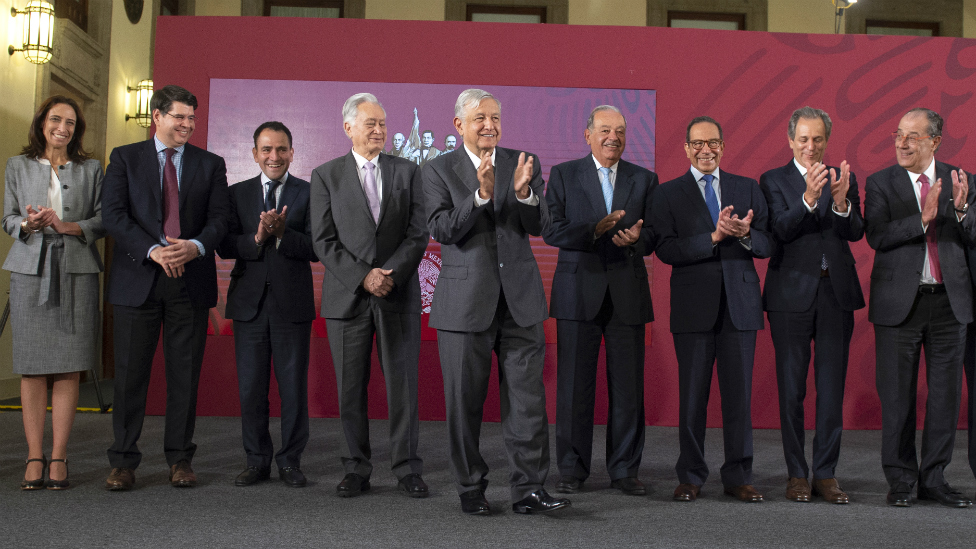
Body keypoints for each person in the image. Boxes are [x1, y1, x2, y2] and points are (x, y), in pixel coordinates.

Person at [423, 88, 569, 515]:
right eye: (480, 118)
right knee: (463, 403)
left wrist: (524, 195)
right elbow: (442, 229)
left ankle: (529, 491)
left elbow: (539, 226)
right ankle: (471, 488)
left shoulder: (523, 162)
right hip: (463, 305)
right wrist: (482, 196)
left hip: (520, 301)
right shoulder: (438, 169)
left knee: (528, 403)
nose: (489, 125)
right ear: (459, 126)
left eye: (495, 117)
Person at [101, 85, 229, 490]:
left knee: (184, 376)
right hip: (138, 280)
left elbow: (220, 220)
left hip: (189, 283)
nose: (187, 125)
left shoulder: (211, 164)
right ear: (157, 116)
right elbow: (114, 216)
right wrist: (153, 250)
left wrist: (194, 246)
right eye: (179, 117)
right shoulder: (125, 158)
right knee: (129, 376)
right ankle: (123, 461)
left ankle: (180, 459)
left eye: (192, 118)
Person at [310, 93, 430, 499]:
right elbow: (324, 241)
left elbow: (419, 233)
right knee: (350, 389)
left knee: (403, 386)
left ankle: (407, 468)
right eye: (370, 124)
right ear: (348, 128)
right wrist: (364, 277)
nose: (379, 130)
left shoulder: (409, 171)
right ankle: (355, 468)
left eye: (382, 123)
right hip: (348, 297)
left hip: (397, 294)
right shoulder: (326, 175)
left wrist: (387, 276)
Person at [651, 116, 770, 503]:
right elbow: (666, 249)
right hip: (692, 308)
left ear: (723, 146)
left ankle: (739, 475)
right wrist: (714, 237)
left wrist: (748, 234)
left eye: (713, 142)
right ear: (686, 148)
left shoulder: (747, 187)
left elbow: (770, 243)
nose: (707, 150)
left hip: (741, 306)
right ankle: (691, 475)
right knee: (692, 398)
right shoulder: (669, 193)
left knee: (738, 397)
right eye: (698, 143)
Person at [864, 108, 976, 508]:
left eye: (913, 136)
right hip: (900, 307)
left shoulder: (962, 180)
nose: (902, 142)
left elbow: (974, 235)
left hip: (951, 304)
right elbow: (875, 235)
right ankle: (901, 481)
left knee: (945, 398)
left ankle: (935, 479)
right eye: (898, 134)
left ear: (935, 141)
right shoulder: (880, 183)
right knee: (897, 398)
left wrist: (961, 212)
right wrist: (921, 218)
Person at [543, 105, 657, 496]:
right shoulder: (563, 174)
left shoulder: (644, 179)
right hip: (578, 293)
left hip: (627, 292)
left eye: (621, 131)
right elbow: (552, 229)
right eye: (605, 130)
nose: (614, 137)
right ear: (587, 134)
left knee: (628, 389)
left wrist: (635, 240)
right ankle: (572, 470)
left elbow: (655, 234)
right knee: (574, 387)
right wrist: (595, 230)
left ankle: (625, 469)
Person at [759, 107, 864, 504]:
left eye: (818, 139)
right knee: (791, 390)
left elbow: (856, 231)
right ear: (790, 140)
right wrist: (808, 199)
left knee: (831, 389)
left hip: (835, 294)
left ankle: (826, 473)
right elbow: (778, 231)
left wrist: (840, 204)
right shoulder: (773, 180)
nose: (810, 146)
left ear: (827, 141)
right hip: (791, 296)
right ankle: (796, 474)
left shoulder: (842, 176)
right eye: (803, 139)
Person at [2, 96, 106, 490]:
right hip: (31, 269)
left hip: (77, 268)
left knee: (69, 364)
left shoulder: (92, 168)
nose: (63, 127)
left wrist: (65, 226)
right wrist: (29, 225)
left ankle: (59, 455)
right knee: (32, 366)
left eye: (71, 122)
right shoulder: (18, 165)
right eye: (55, 119)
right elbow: (7, 217)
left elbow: (103, 218)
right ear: (42, 122)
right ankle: (33, 455)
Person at [216, 121, 317, 488]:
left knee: (293, 388)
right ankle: (256, 460)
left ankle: (290, 462)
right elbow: (225, 246)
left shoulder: (310, 192)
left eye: (281, 150)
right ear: (254, 153)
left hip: (293, 305)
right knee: (251, 388)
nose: (274, 157)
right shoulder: (236, 193)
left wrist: (282, 234)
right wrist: (257, 236)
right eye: (267, 150)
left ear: (292, 152)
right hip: (249, 306)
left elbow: (318, 248)